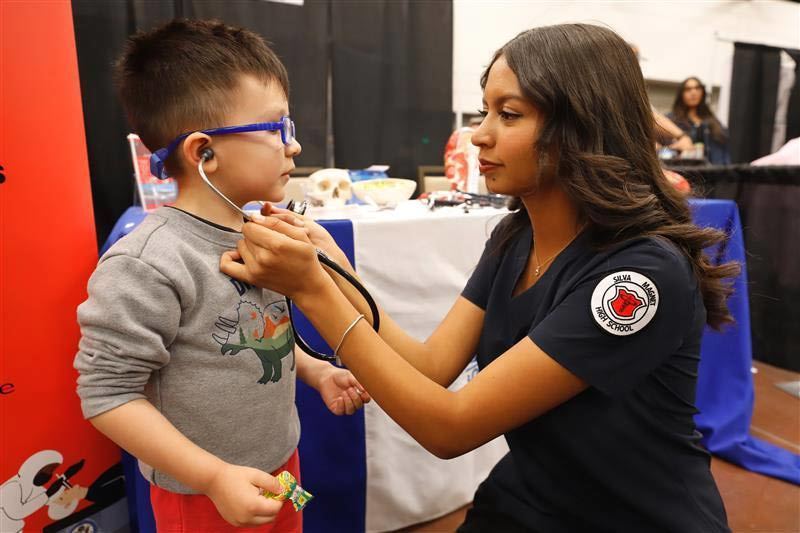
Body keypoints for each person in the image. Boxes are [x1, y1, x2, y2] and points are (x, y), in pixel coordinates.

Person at [225, 24, 739, 532]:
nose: (479, 134)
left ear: (581, 124)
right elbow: (430, 368)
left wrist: (314, 291)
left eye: (509, 114)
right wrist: (334, 268)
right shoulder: (515, 237)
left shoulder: (640, 275)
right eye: (484, 110)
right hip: (535, 496)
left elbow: (450, 428)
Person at [73, 19, 370, 531]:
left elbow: (258, 329)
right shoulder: (149, 261)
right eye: (278, 129)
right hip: (202, 496)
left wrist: (316, 371)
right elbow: (107, 394)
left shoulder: (257, 234)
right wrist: (212, 477)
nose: (293, 147)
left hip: (282, 467)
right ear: (204, 152)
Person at [668, 77, 731, 164]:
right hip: (685, 172)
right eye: (688, 89)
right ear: (681, 94)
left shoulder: (714, 121)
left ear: (702, 92)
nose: (693, 92)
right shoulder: (671, 121)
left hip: (717, 173)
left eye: (697, 88)